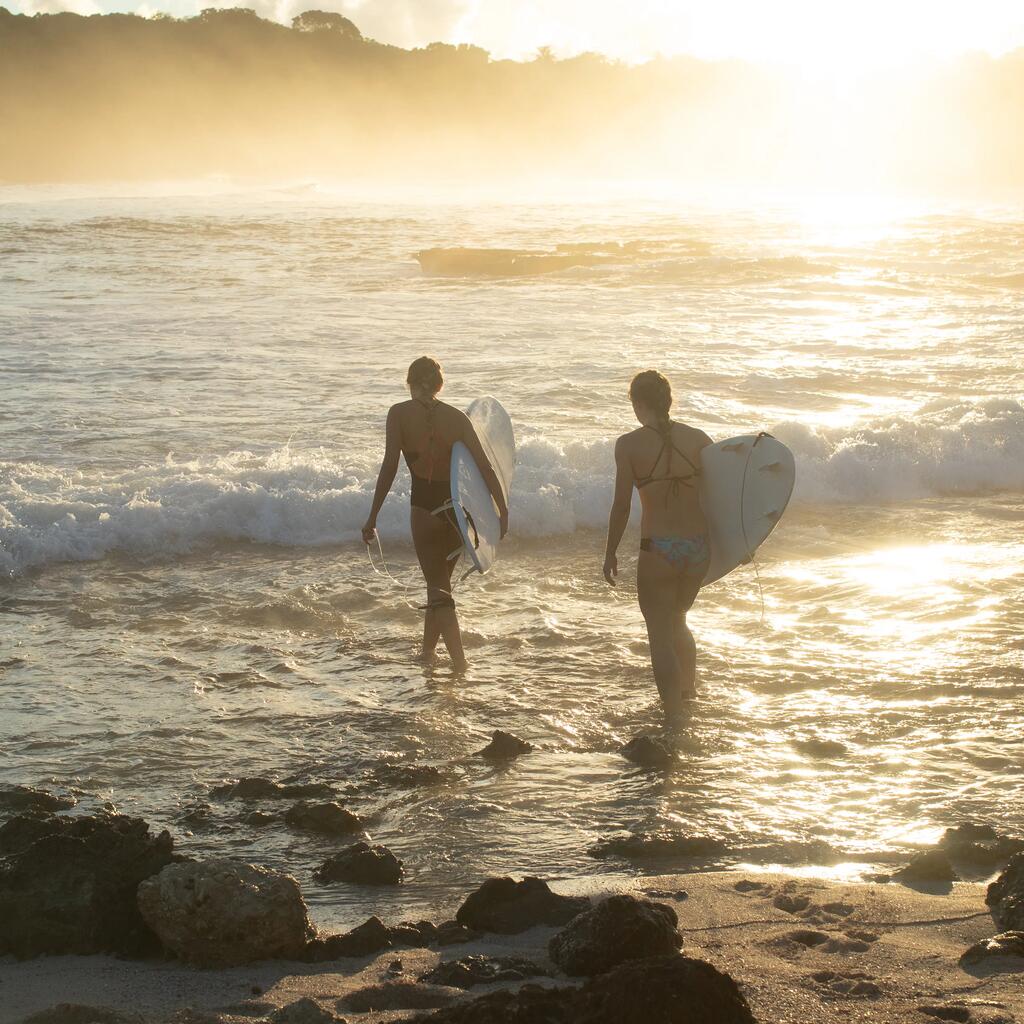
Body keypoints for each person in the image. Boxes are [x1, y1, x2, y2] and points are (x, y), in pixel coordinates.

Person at [362, 356, 509, 671]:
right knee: (439, 584)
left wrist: (373, 516)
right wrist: (502, 510)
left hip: (424, 509)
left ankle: (460, 663)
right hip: (458, 512)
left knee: (439, 589)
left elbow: (389, 467)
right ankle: (428, 654)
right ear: (438, 385)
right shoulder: (457, 418)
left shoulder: (399, 414)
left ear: (410, 382)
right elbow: (484, 467)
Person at [603, 370, 713, 716]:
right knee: (678, 620)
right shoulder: (699, 438)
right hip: (698, 549)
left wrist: (610, 553)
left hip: (659, 550)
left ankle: (674, 717)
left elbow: (622, 506)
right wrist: (740, 542)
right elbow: (721, 497)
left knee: (660, 633)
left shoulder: (629, 445)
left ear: (638, 403)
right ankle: (688, 697)